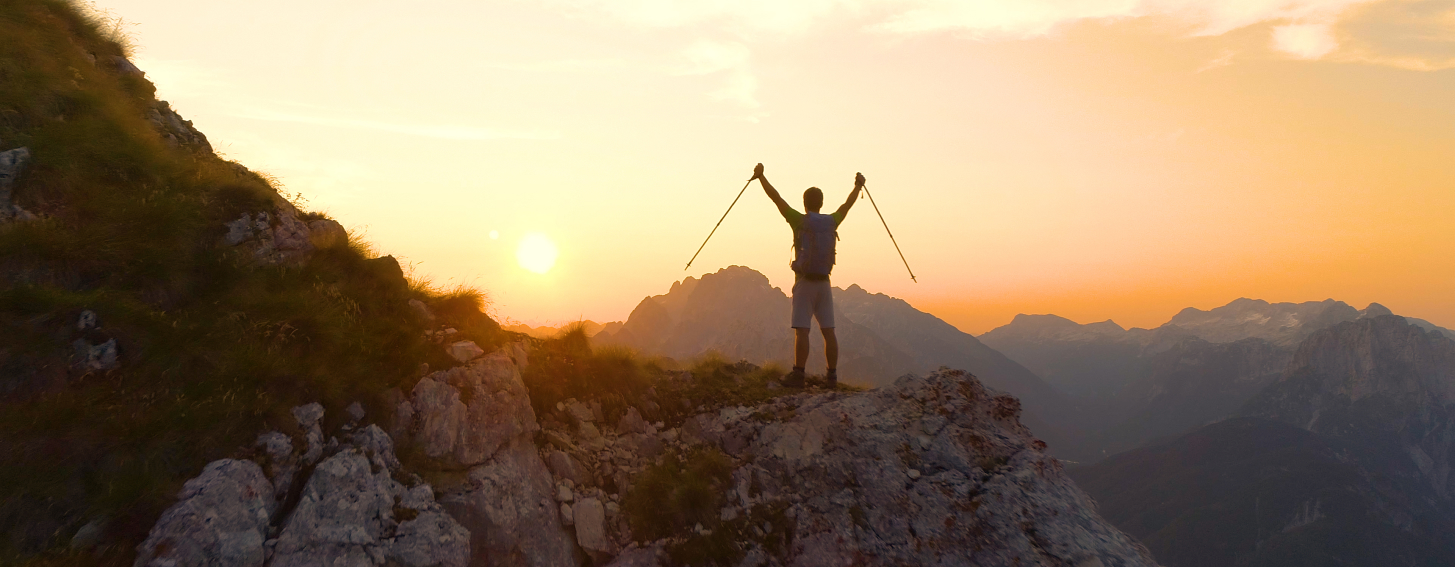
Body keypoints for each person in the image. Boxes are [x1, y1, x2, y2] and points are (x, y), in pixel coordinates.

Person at [750, 163, 863, 388]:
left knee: (802, 331)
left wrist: (761, 177)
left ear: (805, 203)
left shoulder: (798, 220)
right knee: (828, 331)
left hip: (804, 283)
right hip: (824, 283)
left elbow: (776, 198)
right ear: (821, 204)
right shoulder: (832, 221)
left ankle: (798, 375)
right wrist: (858, 186)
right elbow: (847, 205)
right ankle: (832, 377)